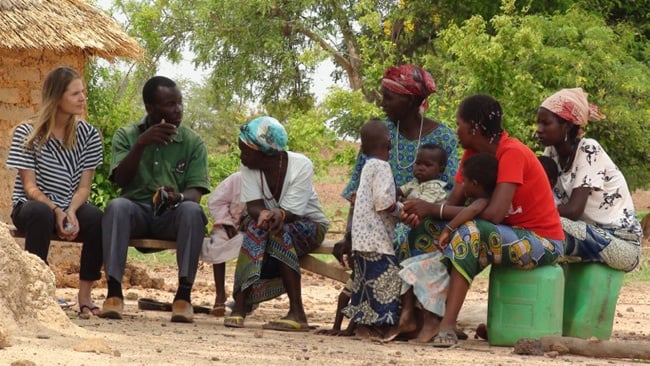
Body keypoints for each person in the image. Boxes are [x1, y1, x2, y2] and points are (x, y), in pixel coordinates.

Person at [401, 94, 565, 346]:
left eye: (459, 124)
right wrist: (423, 212)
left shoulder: (512, 153)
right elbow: (453, 204)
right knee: (426, 227)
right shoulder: (472, 154)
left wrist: (433, 209)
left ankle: (447, 325)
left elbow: (493, 214)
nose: (456, 130)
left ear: (474, 127)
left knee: (470, 231)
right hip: (501, 234)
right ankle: (417, 316)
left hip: (541, 241)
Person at [98, 76, 210, 323]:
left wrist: (177, 197)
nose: (178, 109)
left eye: (179, 102)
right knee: (117, 206)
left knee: (192, 211)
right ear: (150, 108)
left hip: (172, 215)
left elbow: (196, 193)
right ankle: (114, 294)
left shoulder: (192, 142)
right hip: (135, 213)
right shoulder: (126, 135)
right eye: (170, 104)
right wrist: (140, 145)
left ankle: (183, 297)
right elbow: (121, 181)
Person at [335, 64, 459, 269]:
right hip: (379, 227)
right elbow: (359, 190)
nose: (382, 104)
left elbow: (453, 192)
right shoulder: (380, 133)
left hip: (427, 225)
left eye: (388, 98)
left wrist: (421, 211)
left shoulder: (444, 137)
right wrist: (350, 235)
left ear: (410, 100)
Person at [6, 66, 104, 318]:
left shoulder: (89, 135)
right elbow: (30, 188)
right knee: (40, 213)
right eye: (75, 94)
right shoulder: (27, 133)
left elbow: (84, 187)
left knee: (96, 218)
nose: (82, 98)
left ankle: (84, 296)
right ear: (57, 97)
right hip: (32, 206)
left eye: (83, 92)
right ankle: (37, 293)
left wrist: (70, 211)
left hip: (71, 205)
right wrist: (56, 210)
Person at [224, 116, 329, 331]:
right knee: (257, 227)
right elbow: (253, 205)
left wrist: (275, 215)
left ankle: (297, 312)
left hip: (309, 224)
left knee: (279, 231)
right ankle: (241, 304)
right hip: (275, 223)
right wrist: (262, 213)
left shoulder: (301, 165)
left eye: (245, 151)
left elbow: (292, 212)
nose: (242, 157)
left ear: (264, 154)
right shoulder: (249, 167)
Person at [389, 152, 498, 342]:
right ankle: (409, 316)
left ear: (474, 184)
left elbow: (471, 211)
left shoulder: (481, 202)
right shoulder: (475, 199)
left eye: (463, 181)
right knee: (411, 266)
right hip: (448, 253)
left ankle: (429, 322)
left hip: (454, 257)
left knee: (424, 270)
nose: (460, 185)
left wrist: (448, 229)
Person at [537, 88, 642, 271]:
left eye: (546, 123)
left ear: (567, 126)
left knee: (548, 224)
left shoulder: (588, 150)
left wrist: (533, 213)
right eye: (538, 123)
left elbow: (573, 210)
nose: (539, 130)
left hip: (621, 244)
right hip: (586, 234)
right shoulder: (551, 153)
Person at [340, 119, 402, 338]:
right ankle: (383, 325)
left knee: (364, 285)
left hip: (361, 240)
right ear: (389, 143)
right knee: (387, 280)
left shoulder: (367, 166)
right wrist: (402, 209)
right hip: (377, 240)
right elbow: (383, 203)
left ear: (363, 148)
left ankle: (362, 326)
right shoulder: (383, 167)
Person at [201, 171, 245, 317]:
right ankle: (220, 294)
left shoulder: (270, 181)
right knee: (218, 243)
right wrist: (228, 224)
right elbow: (215, 201)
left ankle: (244, 297)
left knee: (251, 247)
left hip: (253, 227)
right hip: (229, 224)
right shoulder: (237, 179)